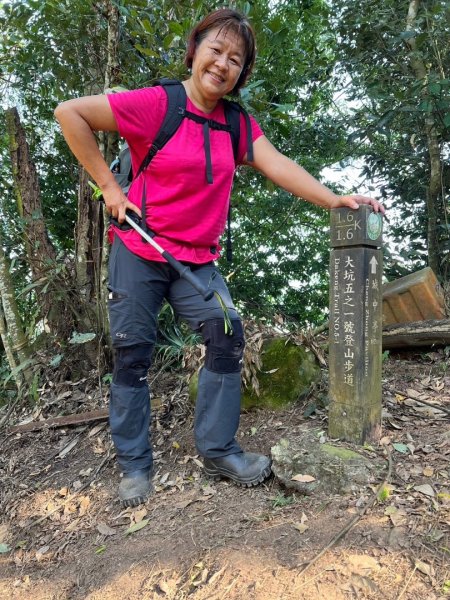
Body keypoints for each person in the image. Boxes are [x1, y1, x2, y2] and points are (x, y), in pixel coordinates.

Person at [54, 8, 385, 508]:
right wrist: (109, 187)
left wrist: (334, 199)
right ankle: (135, 466)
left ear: (241, 72)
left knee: (226, 329)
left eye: (236, 59)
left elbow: (278, 165)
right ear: (195, 51)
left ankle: (217, 449)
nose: (223, 64)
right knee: (132, 353)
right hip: (140, 248)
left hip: (197, 261)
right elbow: (69, 113)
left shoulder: (236, 124)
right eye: (215, 50)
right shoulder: (157, 104)